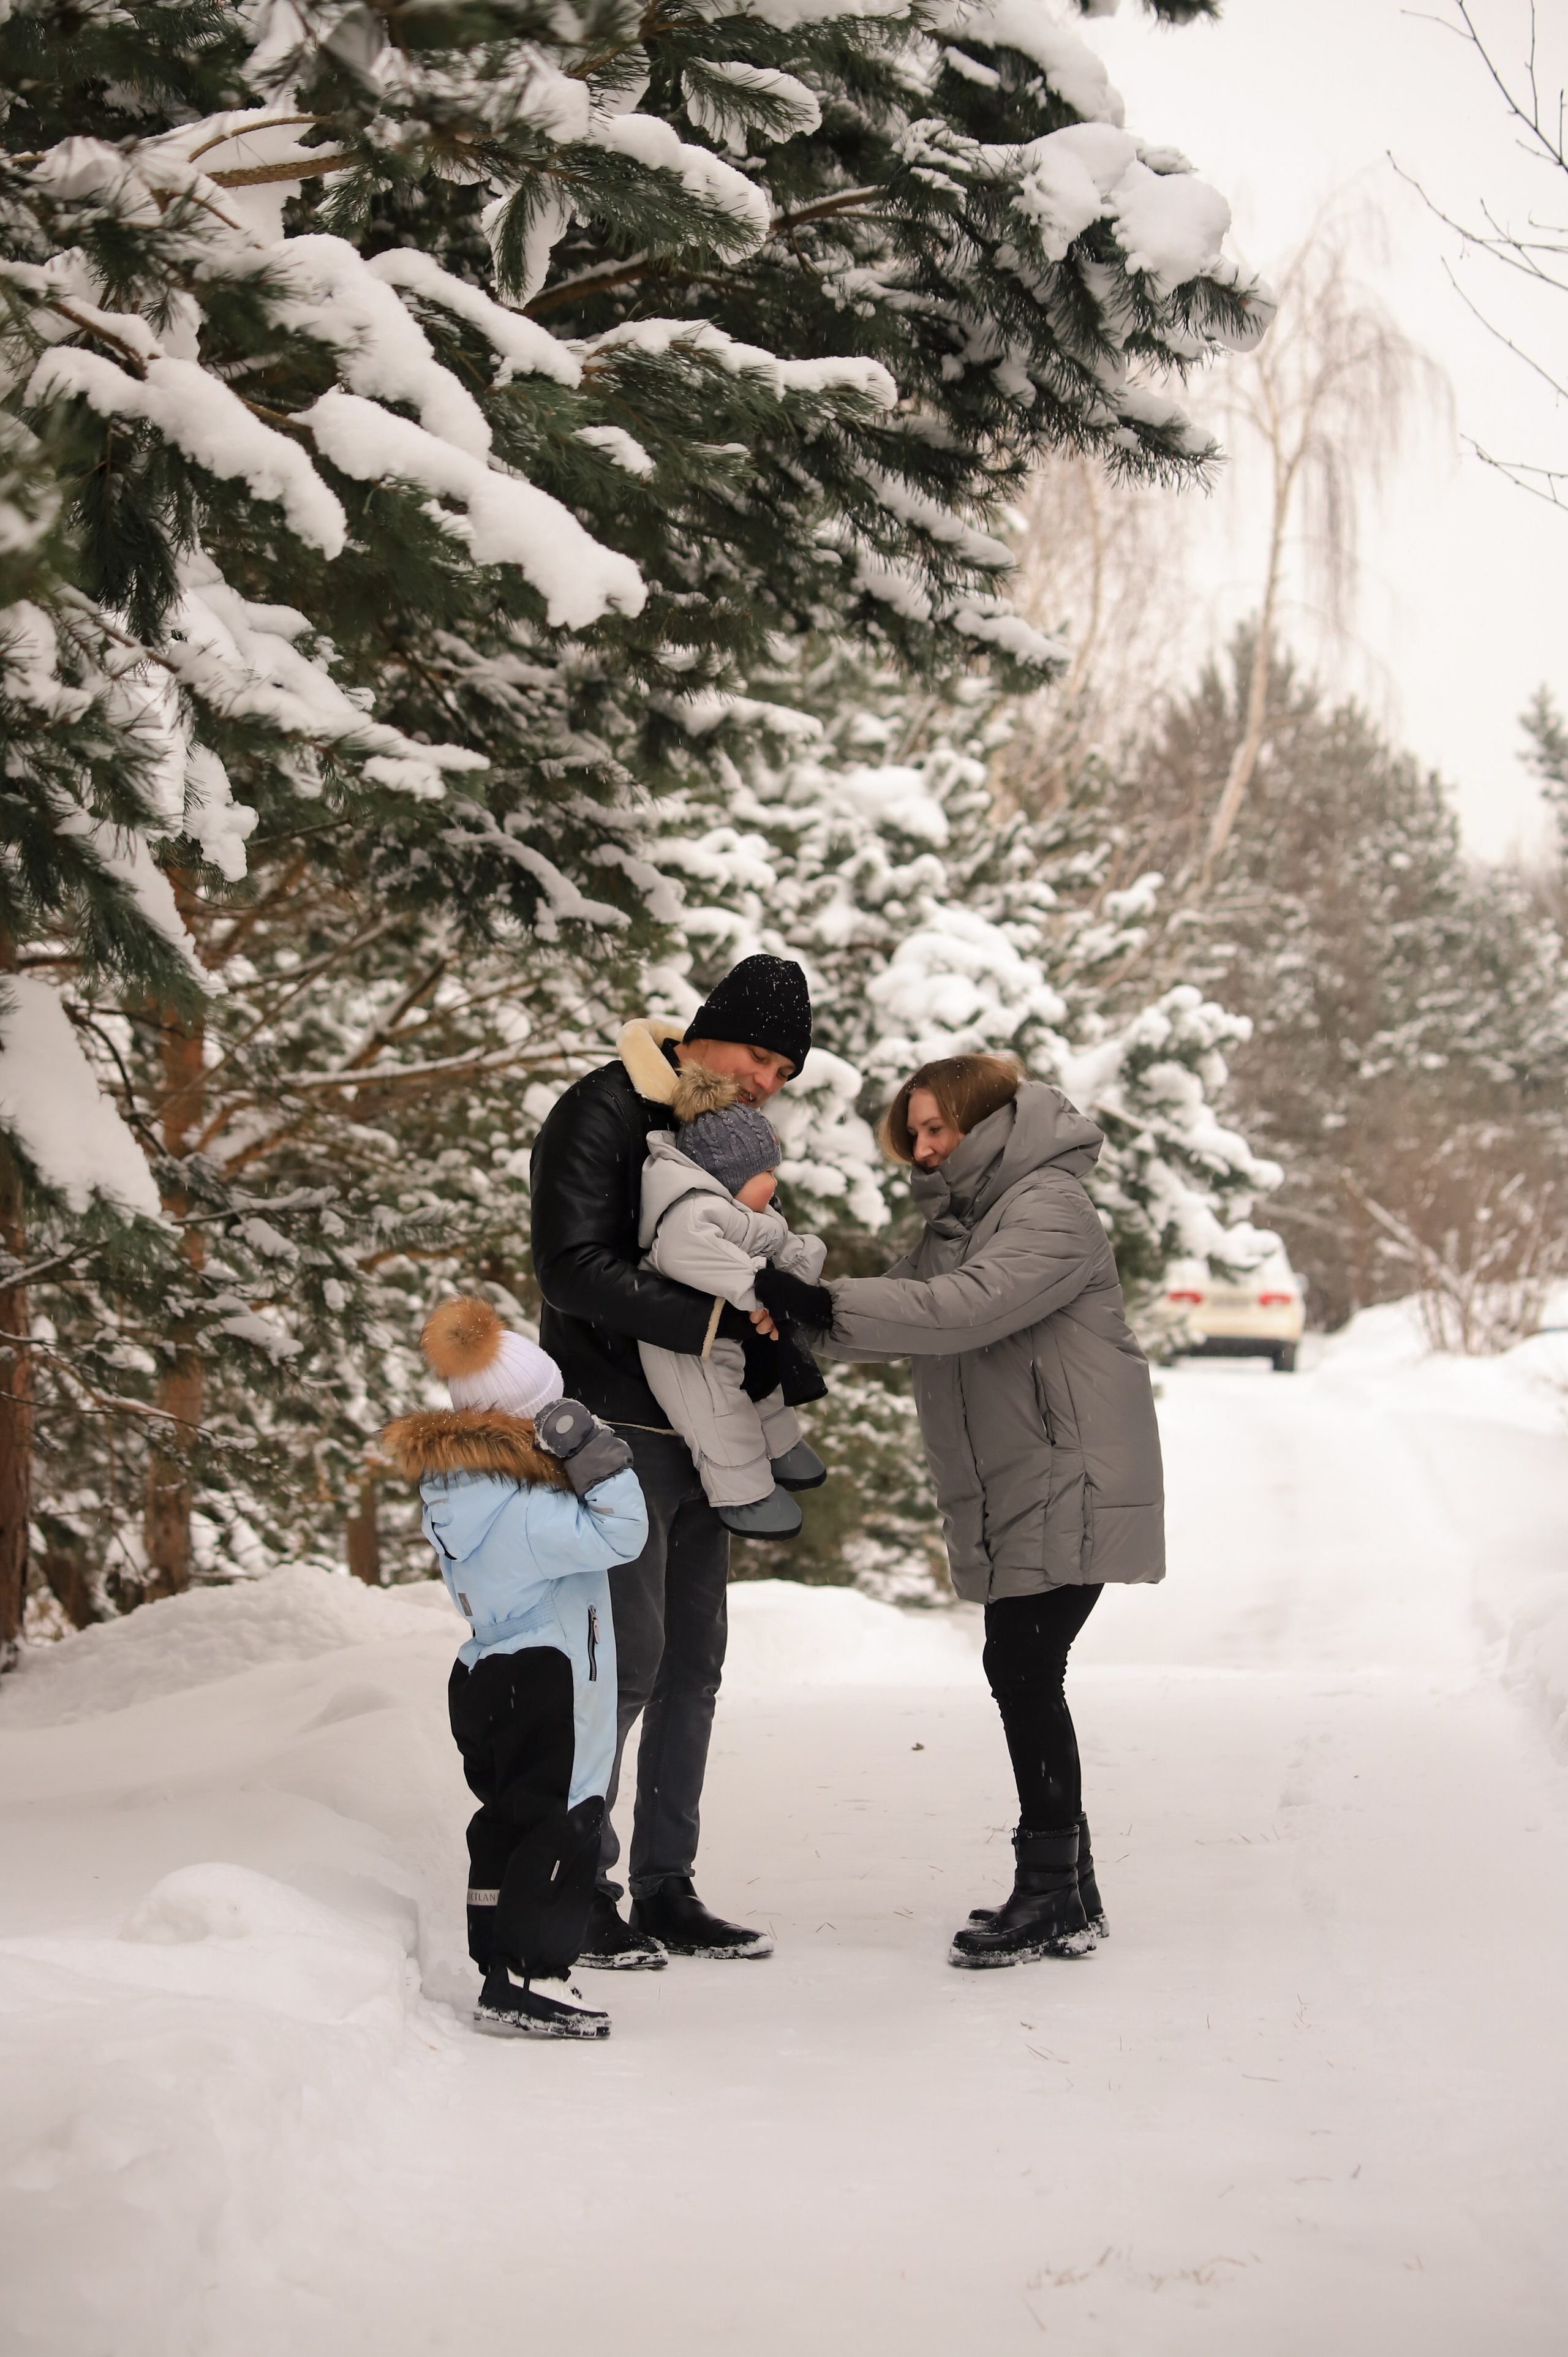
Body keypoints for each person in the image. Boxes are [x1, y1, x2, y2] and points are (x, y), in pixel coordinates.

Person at [755, 1053, 1165, 1972]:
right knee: (1025, 1664)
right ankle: (1069, 1891)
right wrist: (797, 1317)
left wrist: (819, 1303)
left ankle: (1051, 1892)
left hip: (1068, 1471)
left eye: (938, 1128)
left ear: (987, 1122)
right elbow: (906, 1306)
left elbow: (963, 1309)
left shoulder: (1049, 1206)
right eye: (915, 1134)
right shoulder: (964, 1219)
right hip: (1028, 1474)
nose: (925, 1148)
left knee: (1023, 1663)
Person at [529, 952, 813, 1966]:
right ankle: (569, 1887)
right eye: (760, 1057)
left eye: (784, 1072)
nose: (767, 1081)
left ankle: (665, 1886)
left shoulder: (719, 1129)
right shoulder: (604, 1108)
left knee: (694, 1663)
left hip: (707, 1430)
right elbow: (570, 1266)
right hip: (615, 1429)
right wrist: (722, 1318)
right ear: (707, 1032)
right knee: (623, 1659)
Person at [383, 1297, 649, 2038]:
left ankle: (499, 1960)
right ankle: (530, 1976)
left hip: (489, 1674)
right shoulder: (528, 1513)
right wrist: (594, 1449)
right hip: (550, 1676)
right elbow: (624, 1533)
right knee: (563, 1820)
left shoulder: (463, 1494)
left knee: (507, 1819)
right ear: (530, 1424)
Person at [638, 1065, 828, 1540]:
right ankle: (746, 1494)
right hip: (685, 1346)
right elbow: (685, 1252)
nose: (774, 1183)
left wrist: (799, 1273)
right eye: (767, 1172)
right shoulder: (695, 1211)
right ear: (730, 1172)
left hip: (732, 1328)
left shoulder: (749, 1211)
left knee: (762, 1383)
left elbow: (783, 1246)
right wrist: (759, 1288)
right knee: (719, 1413)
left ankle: (782, 1448)